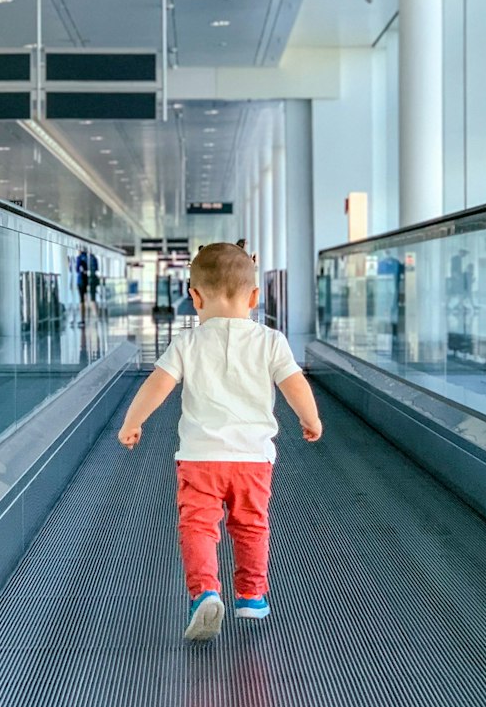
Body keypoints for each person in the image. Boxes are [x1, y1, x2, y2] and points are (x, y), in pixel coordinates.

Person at [117, 242, 323, 641]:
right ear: (254, 297)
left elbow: (157, 385)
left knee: (197, 527)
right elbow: (295, 384)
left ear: (194, 297)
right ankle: (251, 594)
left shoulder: (187, 342)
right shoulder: (271, 341)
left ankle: (205, 593)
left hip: (199, 458)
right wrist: (310, 418)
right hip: (253, 460)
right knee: (251, 526)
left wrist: (132, 422)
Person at [76, 245, 100, 320]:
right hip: (92, 279)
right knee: (93, 299)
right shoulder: (93, 258)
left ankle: (83, 319)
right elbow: (96, 269)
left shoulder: (80, 258)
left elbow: (77, 269)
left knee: (82, 299)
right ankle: (96, 317)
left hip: (82, 280)